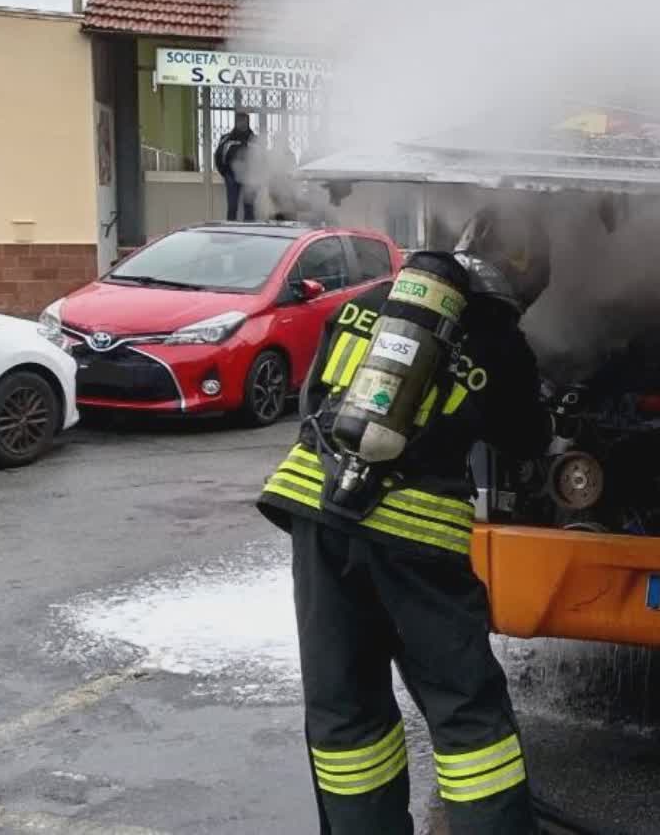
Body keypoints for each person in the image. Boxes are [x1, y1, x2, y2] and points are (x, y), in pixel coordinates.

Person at [257, 205, 553, 834]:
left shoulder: (369, 300)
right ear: (520, 277)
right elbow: (527, 437)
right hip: (414, 539)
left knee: (345, 711)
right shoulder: (499, 335)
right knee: (468, 718)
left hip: (316, 509)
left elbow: (315, 398)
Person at [214, 114, 257, 221]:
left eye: (244, 121)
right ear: (236, 122)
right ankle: (230, 230)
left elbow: (262, 157)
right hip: (231, 176)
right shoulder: (227, 138)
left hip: (250, 176)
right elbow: (218, 155)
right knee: (232, 206)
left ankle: (250, 232)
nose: (242, 123)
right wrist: (224, 172)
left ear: (248, 122)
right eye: (239, 121)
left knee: (249, 207)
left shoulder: (254, 139)